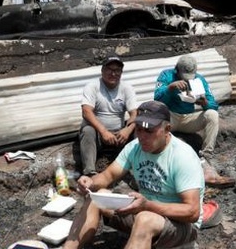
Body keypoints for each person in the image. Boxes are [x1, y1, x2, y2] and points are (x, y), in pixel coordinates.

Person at [63, 101, 204, 249]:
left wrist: (148, 206)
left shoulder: (182, 156)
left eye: (149, 131)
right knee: (96, 197)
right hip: (144, 210)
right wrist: (90, 183)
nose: (142, 136)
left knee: (145, 219)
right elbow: (107, 176)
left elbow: (192, 212)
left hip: (181, 226)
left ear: (167, 129)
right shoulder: (134, 148)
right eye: (138, 129)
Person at [79, 55, 138, 176]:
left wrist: (127, 130)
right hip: (99, 135)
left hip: (119, 136)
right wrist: (103, 131)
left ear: (121, 72)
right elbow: (86, 111)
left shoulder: (127, 88)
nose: (113, 73)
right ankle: (89, 172)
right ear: (102, 71)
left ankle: (136, 171)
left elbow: (135, 113)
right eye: (109, 69)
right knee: (87, 130)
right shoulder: (92, 86)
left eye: (117, 70)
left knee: (139, 129)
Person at [154, 55, 219, 157]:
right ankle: (157, 150)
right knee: (155, 115)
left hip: (188, 118)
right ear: (176, 70)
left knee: (212, 114)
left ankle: (207, 153)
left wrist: (205, 103)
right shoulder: (166, 75)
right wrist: (169, 88)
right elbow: (157, 99)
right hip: (171, 118)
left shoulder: (199, 80)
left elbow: (214, 105)